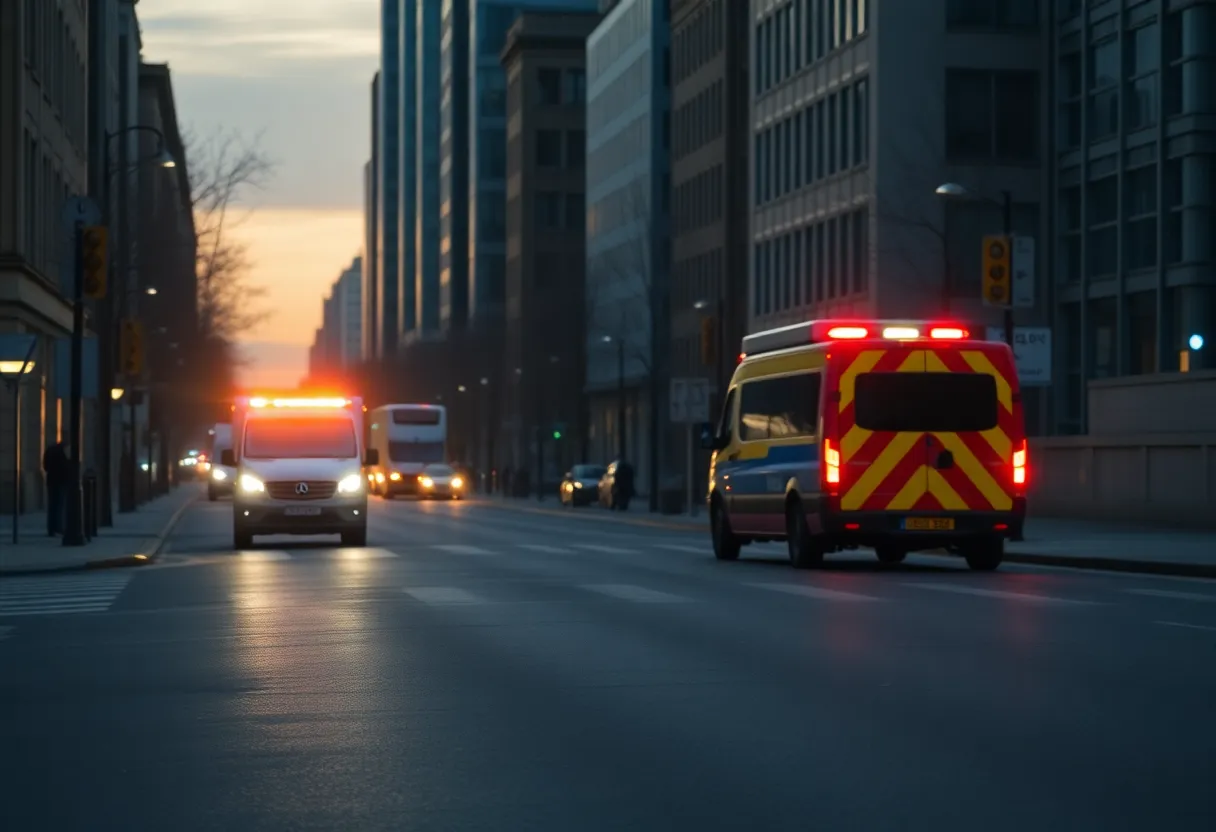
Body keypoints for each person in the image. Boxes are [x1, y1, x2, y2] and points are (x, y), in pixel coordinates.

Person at [43, 441, 70, 536]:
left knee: (52, 505)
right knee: (60, 505)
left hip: (51, 481)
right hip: (61, 481)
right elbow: (66, 467)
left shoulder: (50, 450)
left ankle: (51, 529)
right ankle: (59, 527)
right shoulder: (63, 453)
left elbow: (45, 466)